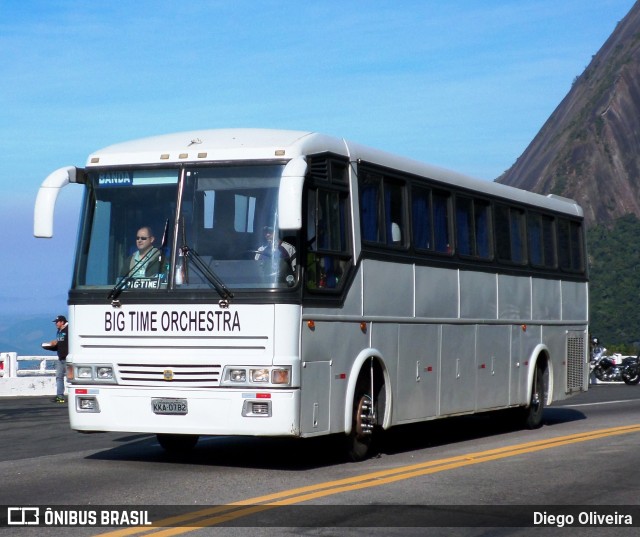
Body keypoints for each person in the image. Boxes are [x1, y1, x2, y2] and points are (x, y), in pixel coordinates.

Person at [44, 315, 69, 403]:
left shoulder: (69, 329)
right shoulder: (59, 331)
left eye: (57, 322)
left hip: (68, 358)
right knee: (59, 377)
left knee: (71, 378)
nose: (56, 324)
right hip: (60, 357)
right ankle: (60, 396)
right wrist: (51, 346)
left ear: (62, 322)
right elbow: (59, 344)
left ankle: (74, 395)